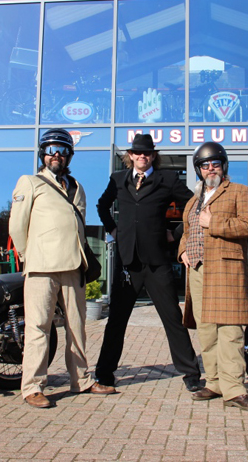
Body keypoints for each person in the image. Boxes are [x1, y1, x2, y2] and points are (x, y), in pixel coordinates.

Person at [9, 128, 115, 409]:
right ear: (42, 154)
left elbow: (79, 228)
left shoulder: (77, 187)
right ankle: (32, 386)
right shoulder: (30, 182)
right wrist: (26, 256)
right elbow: (17, 225)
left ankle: (81, 379)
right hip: (41, 267)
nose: (57, 154)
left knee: (76, 326)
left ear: (70, 155)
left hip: (73, 267)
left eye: (63, 150)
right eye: (51, 149)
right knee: (38, 327)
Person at [95, 134, 203, 392]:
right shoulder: (118, 180)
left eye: (147, 153)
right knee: (116, 322)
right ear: (130, 156)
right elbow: (102, 205)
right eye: (137, 153)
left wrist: (175, 234)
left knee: (173, 319)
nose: (142, 157)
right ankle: (104, 375)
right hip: (127, 263)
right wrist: (113, 231)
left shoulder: (167, 179)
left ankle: (191, 376)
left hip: (157, 263)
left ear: (153, 156)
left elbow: (193, 205)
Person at [178, 142, 248, 412]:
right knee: (206, 330)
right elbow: (187, 232)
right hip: (198, 271)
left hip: (225, 269)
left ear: (223, 166)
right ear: (198, 170)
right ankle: (214, 382)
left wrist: (212, 223)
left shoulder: (240, 191)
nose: (210, 168)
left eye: (215, 163)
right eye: (205, 165)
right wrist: (182, 252)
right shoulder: (193, 200)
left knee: (230, 330)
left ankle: (235, 389)